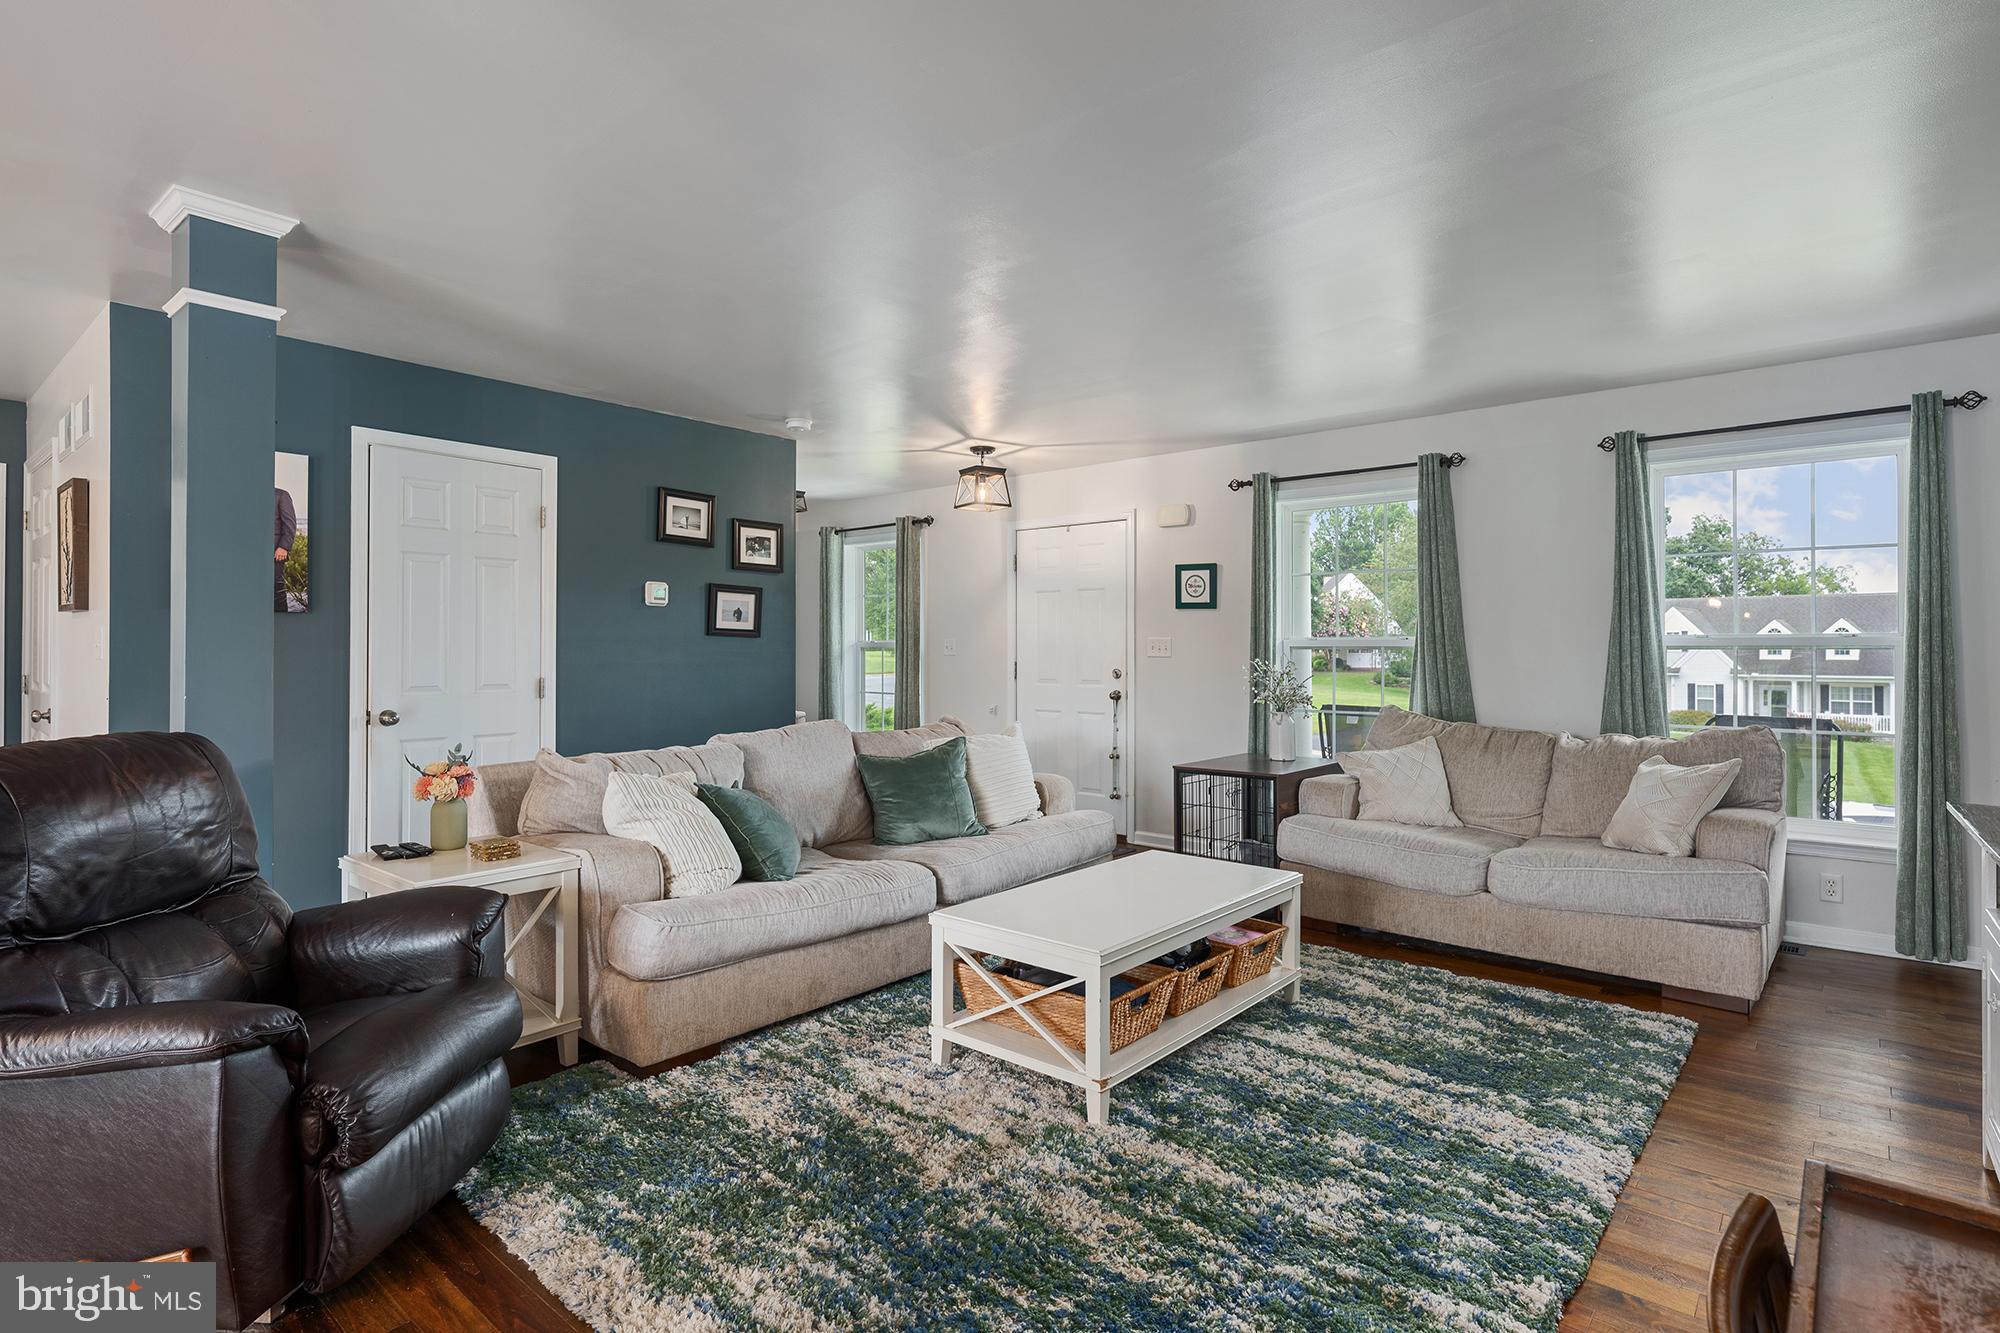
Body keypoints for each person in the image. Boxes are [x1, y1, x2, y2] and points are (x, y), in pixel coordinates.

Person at [275, 487, 297, 612]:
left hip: (276, 551)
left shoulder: (281, 495)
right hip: (255, 552)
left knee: (277, 587)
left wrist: (283, 547)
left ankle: (281, 618)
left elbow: (290, 524)